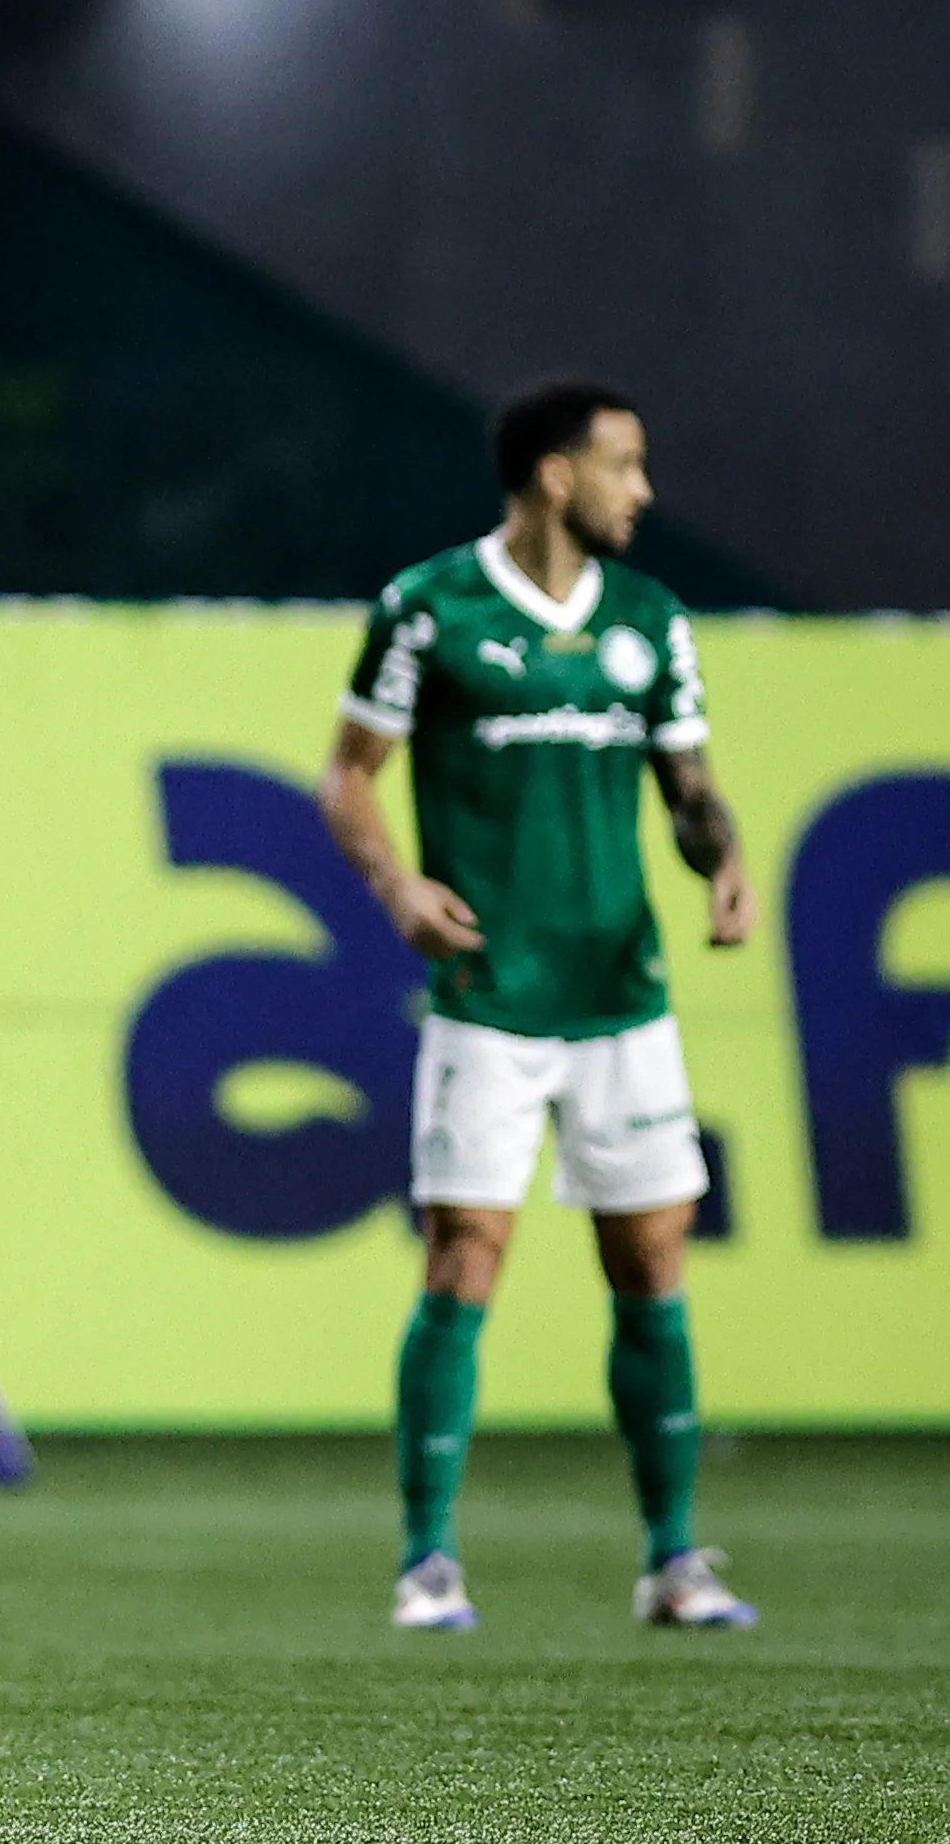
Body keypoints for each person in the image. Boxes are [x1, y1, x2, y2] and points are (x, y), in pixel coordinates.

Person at [319, 382, 761, 1634]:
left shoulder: (647, 621)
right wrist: (395, 883)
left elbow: (685, 785)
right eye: (624, 465)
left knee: (650, 1261)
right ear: (555, 477)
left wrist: (716, 855)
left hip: (620, 996)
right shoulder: (429, 609)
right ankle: (425, 1561)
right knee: (464, 1260)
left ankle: (673, 1560)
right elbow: (348, 774)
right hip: (485, 999)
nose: (643, 490)